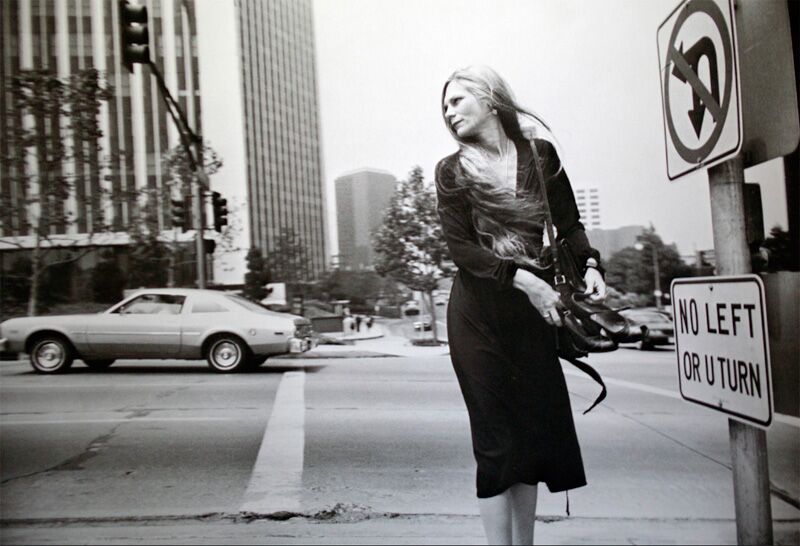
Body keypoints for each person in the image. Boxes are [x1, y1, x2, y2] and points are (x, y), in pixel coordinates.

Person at [435, 65, 607, 545]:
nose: (448, 112)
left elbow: (569, 224)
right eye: (444, 106)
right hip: (477, 316)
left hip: (533, 316)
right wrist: (525, 280)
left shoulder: (539, 155)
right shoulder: (451, 171)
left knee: (529, 442)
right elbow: (462, 250)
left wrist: (592, 265)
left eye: (457, 100)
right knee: (496, 445)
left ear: (491, 99)